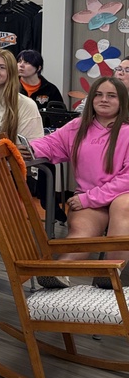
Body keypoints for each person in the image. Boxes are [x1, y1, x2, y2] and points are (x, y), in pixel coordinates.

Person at [26, 77, 129, 289]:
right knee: (82, 232)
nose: (104, 99)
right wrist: (25, 149)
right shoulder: (78, 126)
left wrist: (89, 198)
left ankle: (111, 270)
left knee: (123, 206)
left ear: (122, 101)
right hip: (88, 197)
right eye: (98, 95)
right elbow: (49, 144)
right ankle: (59, 271)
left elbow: (127, 179)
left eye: (111, 96)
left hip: (118, 195)